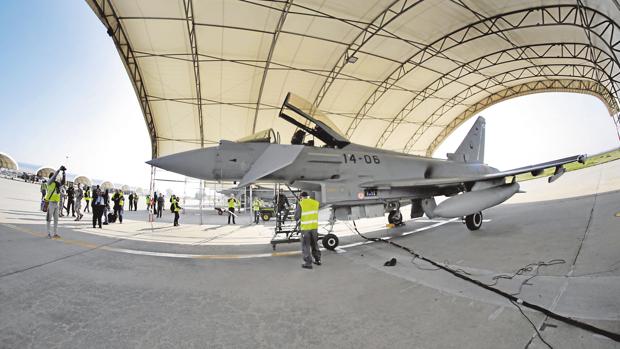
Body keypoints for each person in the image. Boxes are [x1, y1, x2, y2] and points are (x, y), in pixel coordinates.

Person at [295, 192, 321, 269]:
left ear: (301, 197)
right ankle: (318, 260)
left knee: (306, 246)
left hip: (306, 228)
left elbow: (296, 217)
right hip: (314, 228)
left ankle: (308, 263)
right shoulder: (315, 203)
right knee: (315, 244)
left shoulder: (301, 203)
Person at [44, 166, 66, 239]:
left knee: (56, 219)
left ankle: (55, 233)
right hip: (50, 203)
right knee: (49, 219)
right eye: (54, 177)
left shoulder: (57, 184)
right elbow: (54, 177)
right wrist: (59, 170)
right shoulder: (49, 183)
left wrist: (64, 173)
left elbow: (63, 182)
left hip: (56, 203)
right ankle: (48, 233)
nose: (55, 178)